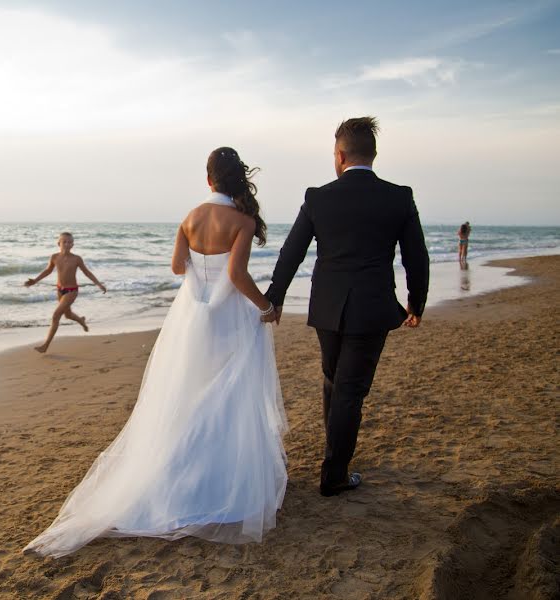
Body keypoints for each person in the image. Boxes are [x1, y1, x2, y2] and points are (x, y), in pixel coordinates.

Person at [24, 148, 287, 558]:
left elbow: (178, 267)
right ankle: (222, 483)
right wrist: (266, 307)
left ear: (208, 180)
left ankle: (178, 479)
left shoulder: (189, 218)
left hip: (191, 317)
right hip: (230, 316)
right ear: (236, 179)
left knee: (188, 393)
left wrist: (203, 274)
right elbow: (236, 275)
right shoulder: (243, 220)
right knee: (227, 394)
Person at [266, 117, 429, 497]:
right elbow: (415, 257)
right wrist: (415, 301)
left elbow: (292, 251)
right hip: (372, 307)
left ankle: (335, 455)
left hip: (327, 306)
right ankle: (335, 473)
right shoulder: (399, 196)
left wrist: (275, 297)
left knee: (334, 382)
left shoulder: (318, 197)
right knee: (349, 390)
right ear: (372, 154)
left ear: (339, 155)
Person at [25, 232, 106, 353]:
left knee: (56, 315)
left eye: (70, 242)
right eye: (65, 242)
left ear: (73, 244)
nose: (67, 244)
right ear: (59, 243)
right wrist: (35, 280)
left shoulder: (76, 259)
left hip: (72, 291)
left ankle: (45, 345)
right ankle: (81, 321)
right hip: (60, 290)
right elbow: (48, 271)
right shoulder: (54, 257)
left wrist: (98, 284)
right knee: (67, 315)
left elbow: (87, 272)